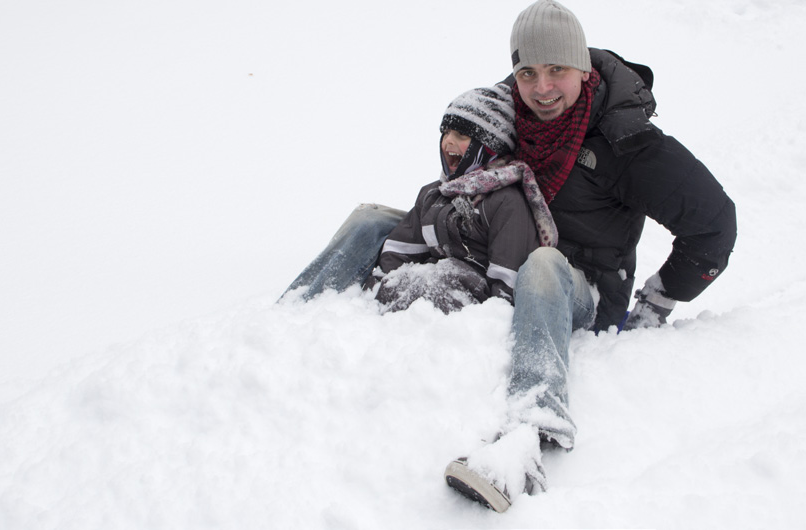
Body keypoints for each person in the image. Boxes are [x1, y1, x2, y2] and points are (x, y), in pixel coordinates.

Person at [282, 0, 737, 513]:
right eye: (528, 72)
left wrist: (653, 306)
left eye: (556, 71)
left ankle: (529, 435)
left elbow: (715, 227)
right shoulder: (514, 108)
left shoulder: (628, 142)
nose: (542, 88)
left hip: (576, 284)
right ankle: (288, 321)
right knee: (374, 219)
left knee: (543, 265)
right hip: (500, 248)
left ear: (581, 68)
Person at [369, 84, 557, 314]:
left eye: (461, 135)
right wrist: (384, 284)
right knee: (393, 286)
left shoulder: (506, 201)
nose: (448, 141)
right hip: (428, 287)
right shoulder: (434, 195)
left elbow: (507, 283)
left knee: (435, 286)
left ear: (490, 146)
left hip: (469, 305)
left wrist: (489, 322)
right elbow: (399, 252)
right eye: (445, 133)